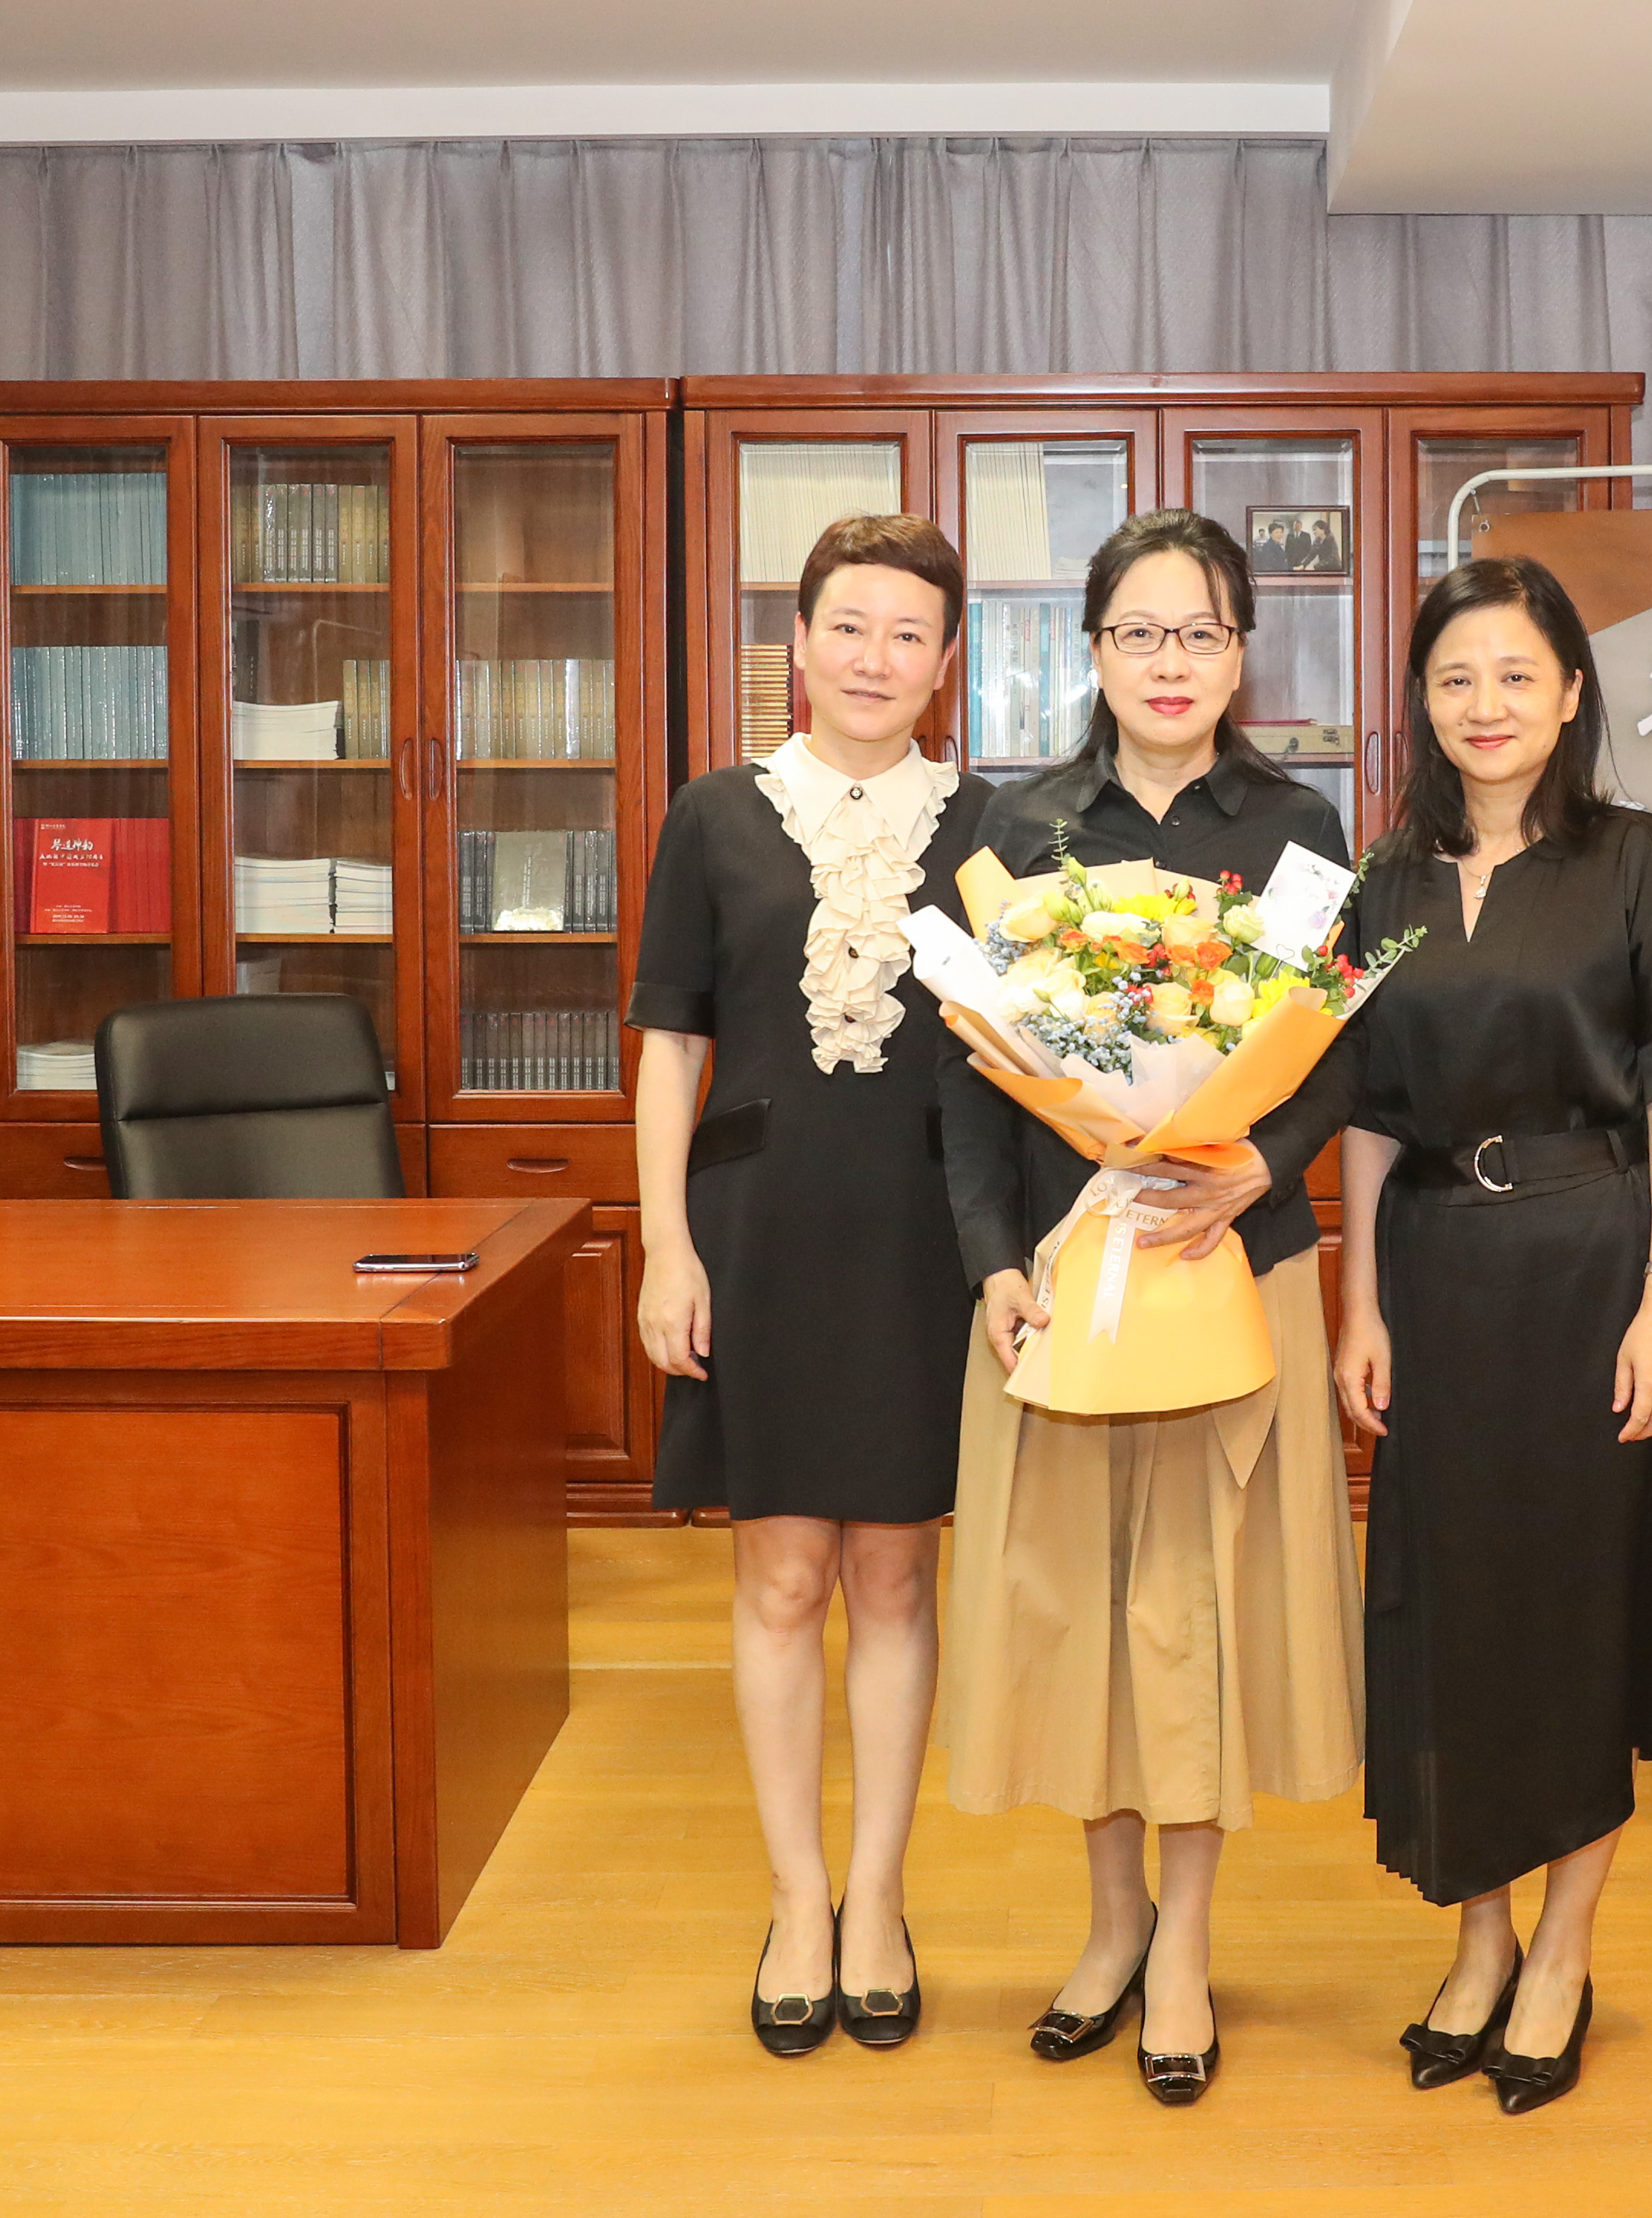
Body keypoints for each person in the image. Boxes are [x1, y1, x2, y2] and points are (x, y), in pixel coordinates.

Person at [1274, 551, 1652, 2116]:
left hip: (1592, 1267)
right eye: (1456, 676)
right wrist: (1358, 1299)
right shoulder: (1379, 883)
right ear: (1420, 697)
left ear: (1570, 692)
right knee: (1451, 1615)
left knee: (1574, 1613)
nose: (1486, 704)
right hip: (1435, 1275)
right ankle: (1477, 1938)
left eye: (1516, 675)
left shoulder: (1633, 860)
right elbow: (1354, 1107)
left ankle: (1563, 1950)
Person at [937, 509, 1365, 2109]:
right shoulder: (1020, 828)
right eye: (1139, 632)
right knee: (1081, 1608)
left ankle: (1183, 1939)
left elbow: (1340, 1046)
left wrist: (1265, 1159)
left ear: (1241, 653)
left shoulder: (1299, 827)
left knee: (1195, 1612)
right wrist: (992, 1256)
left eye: (1199, 633)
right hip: (1068, 1271)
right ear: (1093, 648)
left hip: (1225, 1262)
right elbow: (969, 1074)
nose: (1169, 662)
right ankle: (1108, 1922)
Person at [628, 514, 993, 2059]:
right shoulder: (716, 814)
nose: (873, 658)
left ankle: (881, 1897)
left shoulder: (991, 827)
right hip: (757, 1230)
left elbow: (1027, 1058)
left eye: (907, 633)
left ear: (944, 660)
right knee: (779, 1574)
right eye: (849, 625)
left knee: (896, 1576)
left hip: (922, 1238)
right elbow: (670, 1046)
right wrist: (664, 1244)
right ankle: (795, 1899)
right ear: (796, 640)